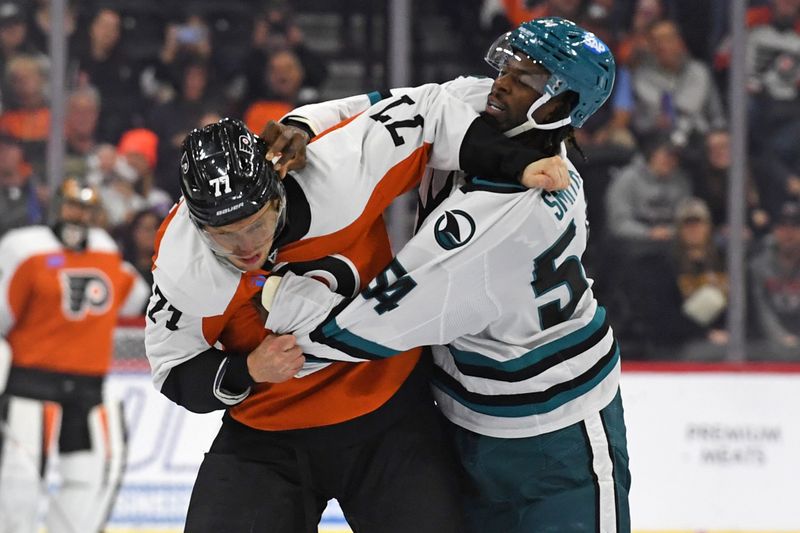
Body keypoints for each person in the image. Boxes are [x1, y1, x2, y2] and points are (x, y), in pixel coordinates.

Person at [261, 17, 630, 533]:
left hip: (557, 437)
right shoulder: (474, 102)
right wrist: (306, 125)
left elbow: (371, 325)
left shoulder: (508, 217)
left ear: (562, 106)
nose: (502, 82)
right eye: (508, 66)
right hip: (464, 418)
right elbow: (384, 108)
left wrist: (269, 332)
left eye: (526, 78)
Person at [144, 94, 568, 532]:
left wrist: (513, 162)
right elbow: (175, 374)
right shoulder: (182, 268)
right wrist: (247, 369)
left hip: (390, 413)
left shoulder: (338, 173)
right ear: (197, 226)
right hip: (269, 437)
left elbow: (431, 113)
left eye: (256, 222)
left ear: (277, 186)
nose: (246, 247)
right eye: (223, 236)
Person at [0, 177, 150, 533]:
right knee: (18, 480)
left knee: (89, 479)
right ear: (56, 205)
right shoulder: (24, 247)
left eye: (85, 208)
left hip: (87, 387)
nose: (77, 215)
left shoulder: (105, 249)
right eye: (71, 205)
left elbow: (135, 297)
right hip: (30, 384)